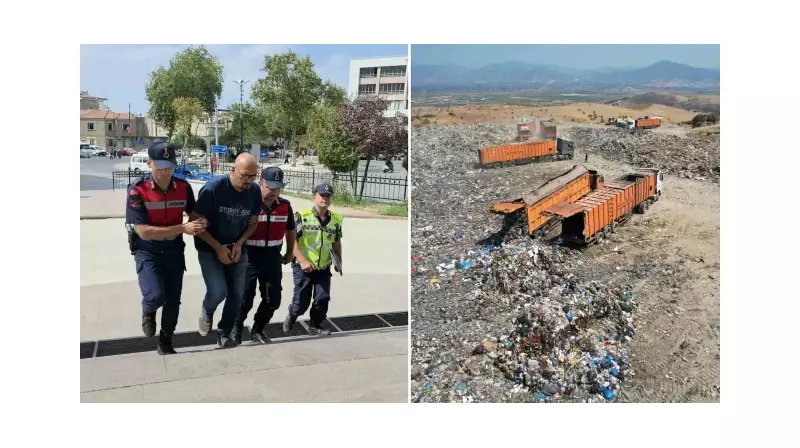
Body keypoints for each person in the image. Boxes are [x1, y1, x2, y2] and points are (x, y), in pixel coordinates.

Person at [125, 142, 207, 355]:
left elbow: (193, 213)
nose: (164, 172)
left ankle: (166, 342)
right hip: (147, 250)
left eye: (169, 166)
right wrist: (183, 227)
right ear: (149, 163)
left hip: (173, 250)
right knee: (155, 296)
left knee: (173, 299)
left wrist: (200, 222)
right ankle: (148, 309)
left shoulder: (183, 187)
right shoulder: (137, 190)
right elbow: (143, 231)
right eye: (159, 167)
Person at [190, 153, 263, 348]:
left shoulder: (255, 192)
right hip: (209, 248)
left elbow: (253, 223)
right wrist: (218, 248)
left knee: (237, 294)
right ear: (233, 170)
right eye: (245, 175)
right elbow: (194, 224)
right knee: (218, 291)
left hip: (237, 247)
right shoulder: (213, 189)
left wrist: (239, 244)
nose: (248, 181)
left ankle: (224, 333)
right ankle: (207, 310)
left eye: (253, 176)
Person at [234, 167, 297, 344]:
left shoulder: (285, 206)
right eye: (271, 187)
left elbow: (290, 230)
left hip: (272, 258)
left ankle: (258, 329)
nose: (274, 192)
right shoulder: (248, 204)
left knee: (273, 299)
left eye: (278, 188)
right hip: (249, 258)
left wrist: (290, 251)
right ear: (261, 183)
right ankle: (236, 329)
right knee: (245, 298)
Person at [284, 183, 343, 336]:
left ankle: (315, 325)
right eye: (322, 195)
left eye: (328, 195)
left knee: (322, 298)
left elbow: (336, 242)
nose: (325, 198)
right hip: (303, 266)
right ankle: (292, 313)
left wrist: (339, 262)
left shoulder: (336, 219)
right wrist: (303, 261)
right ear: (314, 197)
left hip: (323, 266)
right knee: (301, 302)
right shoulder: (302, 216)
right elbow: (293, 241)